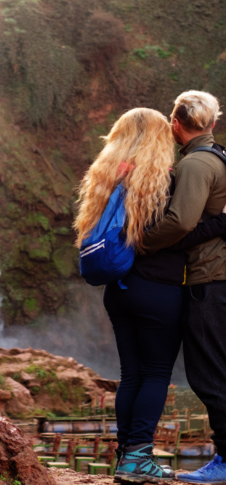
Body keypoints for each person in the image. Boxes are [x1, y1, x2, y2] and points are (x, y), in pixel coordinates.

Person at [74, 106, 226, 483]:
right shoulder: (158, 180)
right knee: (156, 374)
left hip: (120, 289)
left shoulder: (108, 175)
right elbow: (174, 233)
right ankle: (138, 457)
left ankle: (126, 455)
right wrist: (220, 222)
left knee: (131, 375)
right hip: (158, 291)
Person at [140, 91, 226, 484]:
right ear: (212, 123)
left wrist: (142, 244)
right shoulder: (220, 156)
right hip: (217, 276)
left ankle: (224, 459)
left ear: (176, 124)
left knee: (209, 373)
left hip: (210, 279)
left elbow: (179, 222)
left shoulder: (195, 164)